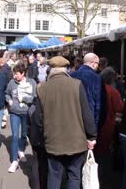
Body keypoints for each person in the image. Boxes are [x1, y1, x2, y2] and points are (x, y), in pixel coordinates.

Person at [36, 56, 97, 189]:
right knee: (74, 176)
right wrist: (91, 136)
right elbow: (86, 113)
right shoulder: (77, 84)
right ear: (66, 69)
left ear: (51, 69)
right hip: (76, 142)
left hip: (53, 142)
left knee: (54, 176)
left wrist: (41, 138)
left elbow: (38, 120)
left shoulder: (42, 88)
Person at [5, 63, 37, 172]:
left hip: (26, 113)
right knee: (14, 136)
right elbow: (7, 93)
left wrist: (24, 99)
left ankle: (21, 150)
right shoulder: (11, 83)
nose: (15, 76)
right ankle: (14, 161)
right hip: (14, 112)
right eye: (14, 74)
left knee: (24, 135)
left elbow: (34, 97)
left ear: (23, 73)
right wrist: (9, 100)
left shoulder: (31, 82)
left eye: (17, 74)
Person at [96, 67, 123, 187]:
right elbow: (119, 110)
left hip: (95, 126)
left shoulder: (96, 89)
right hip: (108, 128)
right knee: (105, 159)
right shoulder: (113, 92)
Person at [71, 53, 105, 129]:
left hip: (73, 117)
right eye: (97, 64)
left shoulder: (72, 75)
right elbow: (98, 102)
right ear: (93, 63)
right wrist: (96, 125)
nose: (97, 66)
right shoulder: (97, 78)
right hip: (90, 118)